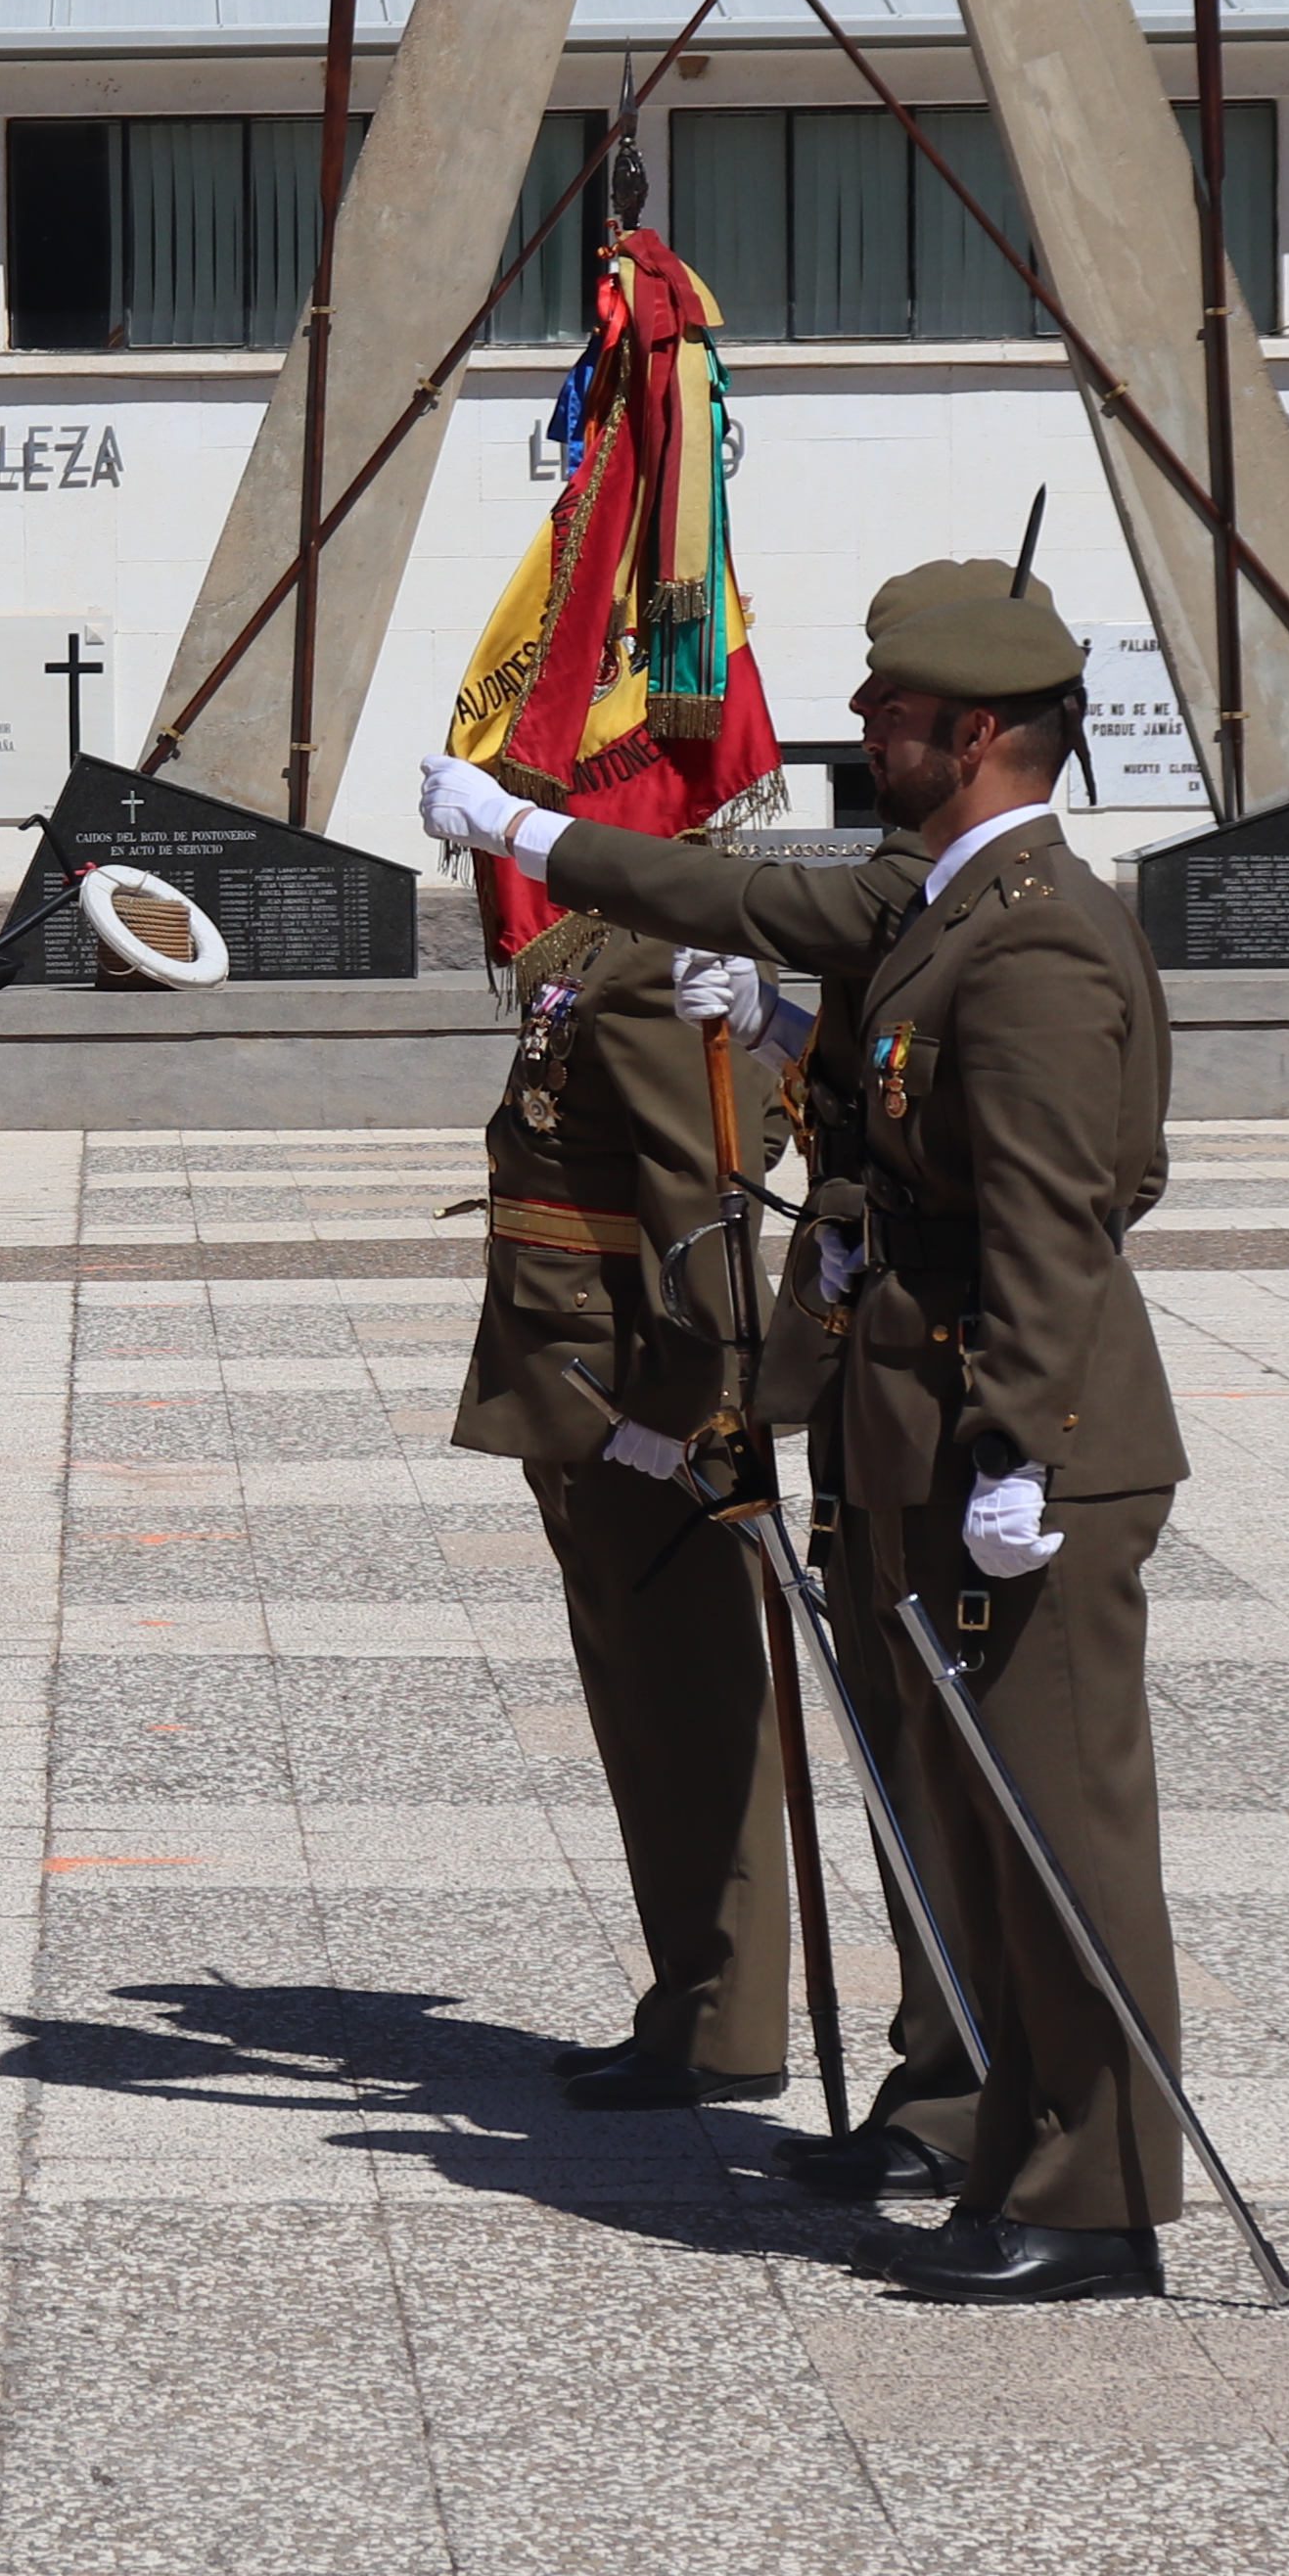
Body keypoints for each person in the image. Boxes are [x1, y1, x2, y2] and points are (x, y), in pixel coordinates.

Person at [432, 564, 1189, 2303]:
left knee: (1055, 1824)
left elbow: (1055, 1222)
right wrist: (559, 857)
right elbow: (752, 903)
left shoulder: (1040, 933)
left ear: (979, 735)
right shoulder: (937, 906)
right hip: (901, 1419)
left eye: (898, 714)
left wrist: (1016, 1452)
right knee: (949, 1804)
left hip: (1016, 1442)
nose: (865, 729)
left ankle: (1096, 2197)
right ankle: (978, 2119)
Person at [434, 764, 808, 2118]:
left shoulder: (648, 966)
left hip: (636, 1396)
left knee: (689, 1708)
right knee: (650, 1710)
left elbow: (697, 1207)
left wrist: (679, 1411)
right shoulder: (594, 948)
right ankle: (695, 2002)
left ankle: (722, 2015)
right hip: (588, 1385)